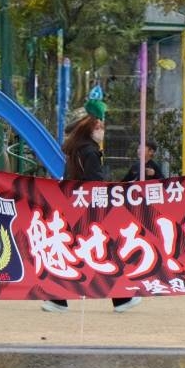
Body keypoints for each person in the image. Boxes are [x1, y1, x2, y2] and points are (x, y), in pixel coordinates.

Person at [44, 101, 141, 314]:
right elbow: (95, 182)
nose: (102, 131)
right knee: (106, 251)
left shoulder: (75, 150)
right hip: (90, 210)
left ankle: (58, 298)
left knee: (80, 252)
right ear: (91, 129)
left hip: (74, 207)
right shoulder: (90, 152)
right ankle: (121, 298)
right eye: (100, 127)